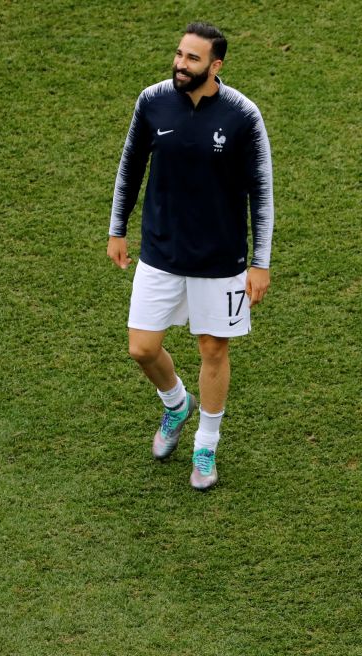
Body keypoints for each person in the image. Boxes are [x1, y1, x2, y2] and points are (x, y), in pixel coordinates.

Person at [107, 22, 274, 491]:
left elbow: (261, 192)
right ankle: (176, 403)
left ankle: (207, 441)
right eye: (180, 54)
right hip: (160, 251)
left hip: (221, 261)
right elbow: (130, 165)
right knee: (141, 347)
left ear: (215, 65)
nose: (181, 64)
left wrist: (260, 262)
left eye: (193, 59)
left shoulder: (243, 114)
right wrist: (116, 229)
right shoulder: (152, 99)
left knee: (212, 348)